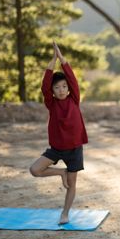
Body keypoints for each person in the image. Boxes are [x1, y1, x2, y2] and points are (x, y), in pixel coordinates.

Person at [29, 41, 88, 225]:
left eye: (64, 86)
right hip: (56, 149)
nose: (61, 90)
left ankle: (65, 213)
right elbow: (44, 85)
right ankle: (60, 172)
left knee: (72, 184)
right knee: (35, 170)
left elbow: (72, 78)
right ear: (52, 92)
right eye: (57, 88)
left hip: (74, 149)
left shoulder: (74, 99)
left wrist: (62, 59)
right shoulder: (51, 103)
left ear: (68, 88)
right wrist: (53, 60)